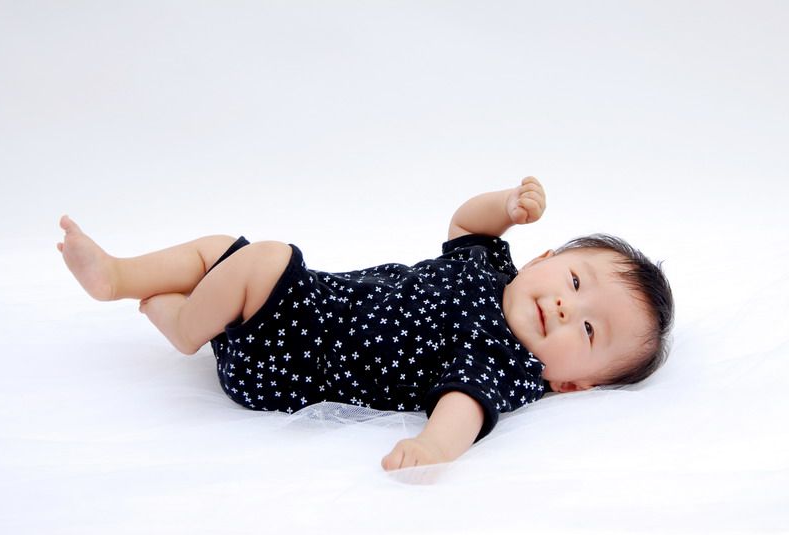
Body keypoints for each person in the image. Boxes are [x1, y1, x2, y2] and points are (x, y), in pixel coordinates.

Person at [56, 177, 673, 472]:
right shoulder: (489, 265)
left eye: (588, 331)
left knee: (264, 257)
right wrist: (506, 207)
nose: (566, 308)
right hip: (307, 298)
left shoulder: (504, 358)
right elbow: (465, 223)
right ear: (543, 259)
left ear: (572, 384)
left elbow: (463, 406)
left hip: (292, 360)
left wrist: (433, 448)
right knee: (222, 249)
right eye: (574, 283)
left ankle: (187, 328)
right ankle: (120, 276)